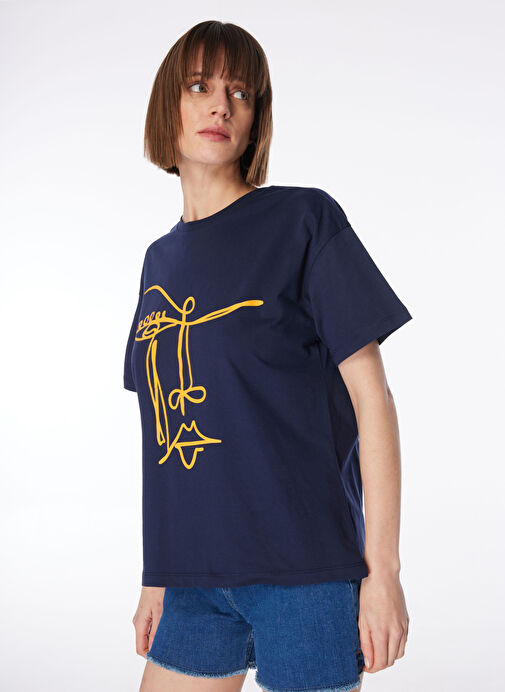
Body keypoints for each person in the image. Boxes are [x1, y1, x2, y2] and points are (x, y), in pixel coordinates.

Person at [124, 20, 412, 692]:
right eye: (200, 86)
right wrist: (156, 576)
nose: (221, 106)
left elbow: (372, 400)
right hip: (193, 583)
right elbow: (161, 433)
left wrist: (383, 573)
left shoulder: (303, 221)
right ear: (169, 104)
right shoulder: (158, 262)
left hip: (304, 576)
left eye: (241, 93)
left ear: (256, 119)